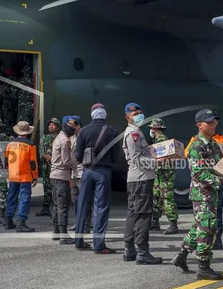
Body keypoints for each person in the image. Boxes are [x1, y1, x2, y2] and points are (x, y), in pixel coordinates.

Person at [171, 109, 223, 279]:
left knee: (200, 225)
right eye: (209, 122)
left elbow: (221, 167)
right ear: (199, 125)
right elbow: (198, 174)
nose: (213, 125)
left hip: (210, 193)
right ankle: (203, 267)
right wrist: (221, 182)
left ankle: (182, 254)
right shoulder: (196, 146)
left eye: (214, 121)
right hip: (202, 194)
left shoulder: (213, 144)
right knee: (207, 229)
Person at [74, 104, 120, 253]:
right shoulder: (112, 131)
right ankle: (99, 245)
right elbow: (116, 156)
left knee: (82, 205)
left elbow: (77, 156)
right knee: (101, 207)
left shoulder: (83, 131)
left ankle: (79, 241)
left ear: (92, 114)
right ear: (104, 115)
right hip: (103, 173)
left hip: (87, 171)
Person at [122, 103, 163, 264]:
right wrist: (156, 162)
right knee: (143, 214)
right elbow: (137, 159)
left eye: (140, 113)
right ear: (128, 117)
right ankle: (143, 251)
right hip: (141, 178)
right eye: (135, 114)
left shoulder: (136, 132)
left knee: (133, 213)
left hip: (137, 178)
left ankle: (129, 250)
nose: (139, 116)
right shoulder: (133, 134)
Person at [4, 121, 38, 232]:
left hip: (13, 176)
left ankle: (8, 220)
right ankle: (21, 223)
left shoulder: (10, 144)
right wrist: (35, 177)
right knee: (24, 198)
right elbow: (33, 163)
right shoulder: (30, 145)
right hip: (25, 177)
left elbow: (6, 160)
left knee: (11, 197)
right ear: (27, 132)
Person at [148, 118, 179, 235]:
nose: (151, 130)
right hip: (159, 175)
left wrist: (151, 162)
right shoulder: (157, 140)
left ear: (155, 129)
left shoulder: (162, 140)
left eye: (152, 128)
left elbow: (165, 159)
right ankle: (155, 222)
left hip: (165, 175)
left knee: (167, 198)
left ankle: (173, 224)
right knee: (156, 197)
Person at [50, 116, 76, 244]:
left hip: (54, 176)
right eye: (71, 127)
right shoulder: (65, 140)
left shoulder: (58, 138)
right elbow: (66, 161)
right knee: (62, 206)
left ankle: (56, 232)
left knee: (56, 204)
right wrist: (77, 163)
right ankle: (63, 235)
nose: (73, 129)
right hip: (61, 176)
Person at [68, 115, 93, 234]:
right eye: (70, 126)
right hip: (74, 174)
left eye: (73, 126)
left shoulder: (85, 137)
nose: (71, 128)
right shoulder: (71, 138)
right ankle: (79, 223)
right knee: (75, 200)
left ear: (79, 126)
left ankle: (87, 224)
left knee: (86, 200)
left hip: (83, 173)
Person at [38, 118, 60, 217]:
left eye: (53, 125)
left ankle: (56, 209)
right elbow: (40, 151)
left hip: (57, 167)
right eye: (49, 125)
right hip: (46, 166)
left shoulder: (61, 138)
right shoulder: (44, 138)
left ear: (58, 127)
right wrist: (46, 156)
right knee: (46, 186)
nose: (51, 126)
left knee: (57, 187)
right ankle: (46, 207)